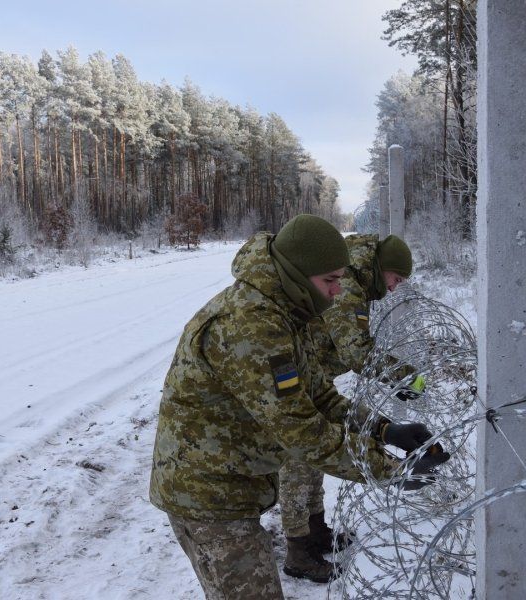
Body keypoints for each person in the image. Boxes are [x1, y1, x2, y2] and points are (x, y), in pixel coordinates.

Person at [149, 215, 444, 599]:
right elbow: (302, 432)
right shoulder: (251, 325)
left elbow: (320, 397)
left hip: (235, 482)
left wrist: (384, 429)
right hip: (207, 494)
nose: (339, 292)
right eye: (331, 280)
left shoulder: (286, 312)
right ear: (298, 274)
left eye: (340, 279)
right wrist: (389, 469)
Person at [278, 232, 426, 581]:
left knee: (311, 462)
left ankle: (314, 531)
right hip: (295, 379)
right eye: (396, 279)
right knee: (300, 460)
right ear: (382, 268)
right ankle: (298, 551)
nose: (394, 288)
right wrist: (403, 377)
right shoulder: (350, 290)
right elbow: (356, 351)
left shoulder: (357, 281)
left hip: (313, 376)